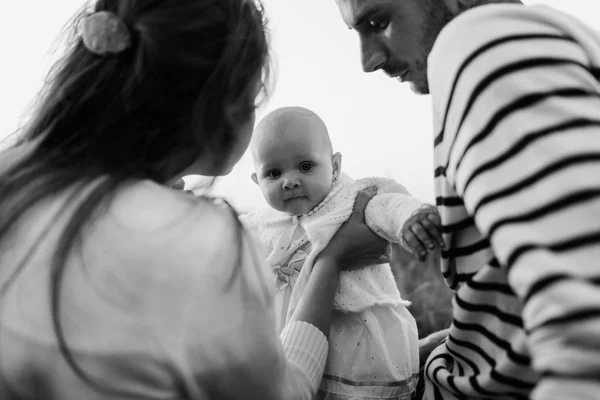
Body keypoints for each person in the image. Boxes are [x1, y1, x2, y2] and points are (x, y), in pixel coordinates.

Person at [0, 1, 392, 399]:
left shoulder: (12, 177)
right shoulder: (201, 243)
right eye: (255, 94)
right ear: (227, 102)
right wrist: (328, 263)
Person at [334, 0, 600, 399]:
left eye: (379, 21)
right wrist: (444, 346)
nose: (368, 61)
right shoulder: (531, 48)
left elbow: (584, 317)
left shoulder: (481, 43)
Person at [242, 106, 443, 400]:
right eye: (273, 173)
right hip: (294, 337)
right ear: (257, 181)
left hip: (358, 340)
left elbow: (387, 205)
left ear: (334, 165)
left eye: (306, 166)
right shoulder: (260, 223)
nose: (290, 180)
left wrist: (411, 218)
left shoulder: (348, 202)